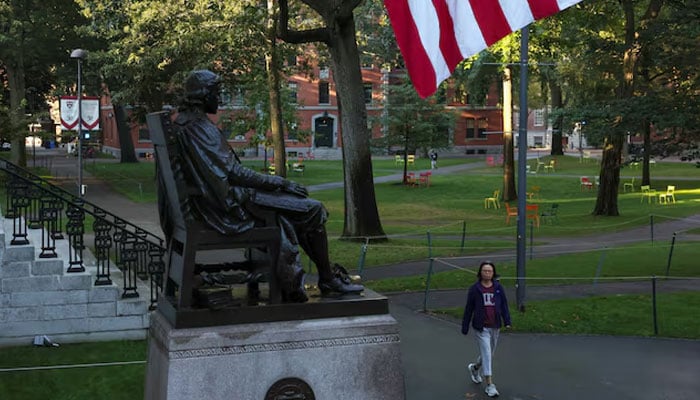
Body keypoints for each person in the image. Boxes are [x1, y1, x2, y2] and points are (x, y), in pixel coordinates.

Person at [162, 69, 363, 302]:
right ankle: (325, 279)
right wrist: (281, 183)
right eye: (216, 93)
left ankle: (313, 278)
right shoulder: (199, 128)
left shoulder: (186, 123)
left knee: (294, 212)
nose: (220, 99)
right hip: (224, 208)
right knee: (313, 209)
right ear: (203, 95)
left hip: (210, 203)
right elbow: (234, 172)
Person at [461, 261, 511, 397]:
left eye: (490, 271)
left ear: (493, 273)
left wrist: (507, 321)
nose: (487, 273)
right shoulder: (475, 289)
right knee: (487, 354)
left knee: (488, 354)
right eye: (484, 271)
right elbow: (469, 308)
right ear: (480, 273)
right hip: (481, 327)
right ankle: (490, 385)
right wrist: (465, 326)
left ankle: (475, 368)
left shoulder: (498, 288)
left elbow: (504, 305)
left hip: (495, 326)